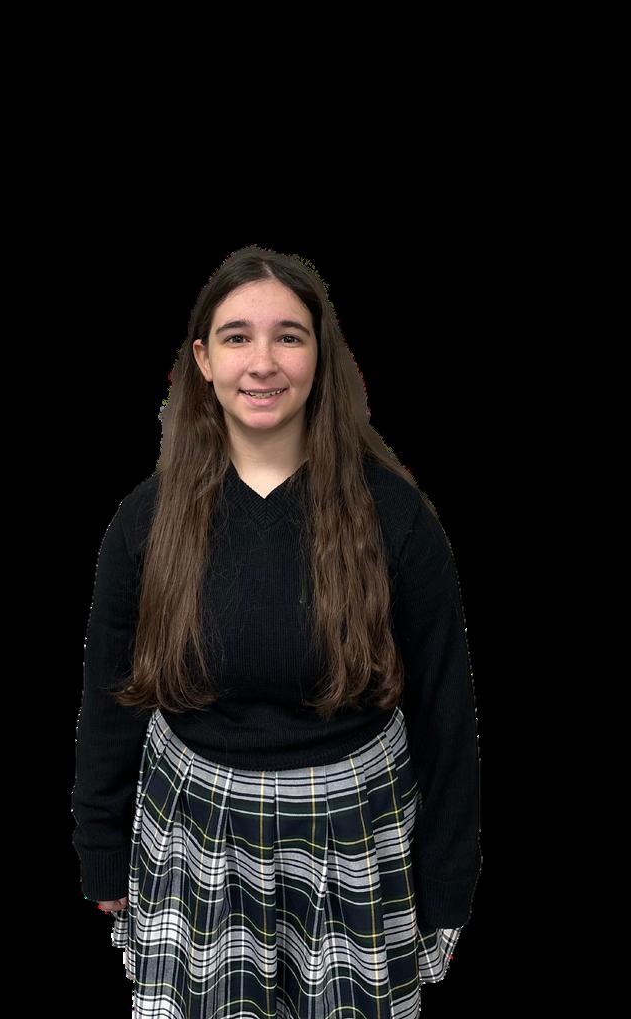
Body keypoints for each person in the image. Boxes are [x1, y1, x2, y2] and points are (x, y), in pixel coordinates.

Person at [71, 245, 482, 1017]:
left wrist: (450, 880)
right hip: (193, 829)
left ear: (320, 357)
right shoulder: (145, 522)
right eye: (237, 337)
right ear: (203, 360)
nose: (263, 363)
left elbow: (446, 718)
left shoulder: (397, 520)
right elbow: (111, 702)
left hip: (358, 827)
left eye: (289, 336)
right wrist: (100, 847)